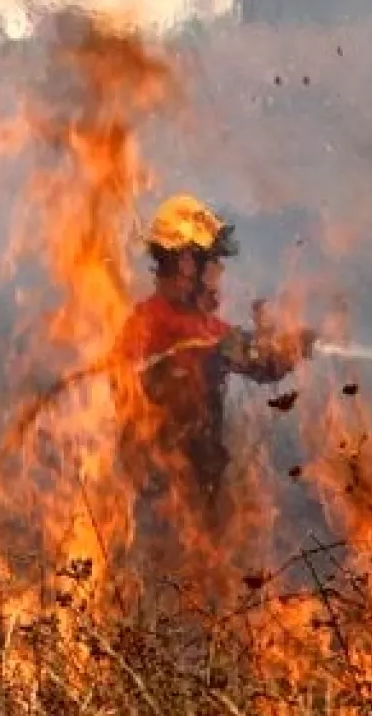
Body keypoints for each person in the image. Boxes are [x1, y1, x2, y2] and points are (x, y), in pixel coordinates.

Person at [112, 194, 317, 539]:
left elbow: (257, 364)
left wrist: (288, 349)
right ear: (188, 263)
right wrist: (214, 358)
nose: (220, 273)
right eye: (215, 263)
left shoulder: (204, 326)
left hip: (201, 496)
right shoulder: (148, 323)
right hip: (161, 501)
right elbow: (139, 381)